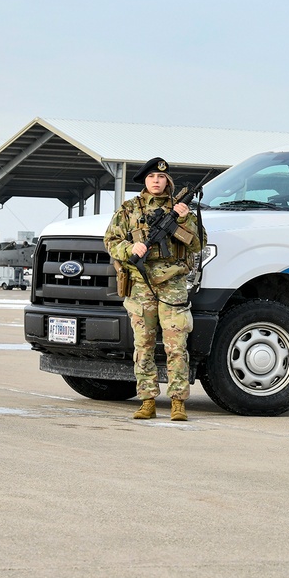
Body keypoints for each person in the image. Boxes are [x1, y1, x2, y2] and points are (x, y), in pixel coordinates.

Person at [104, 157, 204, 421]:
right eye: (151, 177)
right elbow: (110, 240)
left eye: (161, 178)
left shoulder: (181, 209)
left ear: (167, 181)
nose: (156, 181)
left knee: (176, 345)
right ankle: (147, 400)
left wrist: (185, 221)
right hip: (140, 284)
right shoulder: (129, 209)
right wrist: (130, 248)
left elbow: (197, 245)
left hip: (172, 284)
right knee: (143, 345)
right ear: (145, 181)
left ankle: (178, 402)